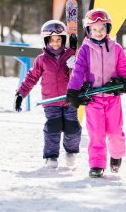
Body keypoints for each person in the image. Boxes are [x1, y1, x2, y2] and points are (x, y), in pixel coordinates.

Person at [66, 8, 126, 178]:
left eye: (102, 29)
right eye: (94, 29)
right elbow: (78, 71)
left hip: (112, 98)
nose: (98, 33)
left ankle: (116, 155)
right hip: (93, 99)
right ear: (88, 31)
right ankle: (97, 164)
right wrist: (73, 91)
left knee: (115, 132)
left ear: (108, 29)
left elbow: (123, 68)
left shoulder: (116, 48)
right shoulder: (85, 50)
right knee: (96, 134)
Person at [14, 20, 80, 169]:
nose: (55, 43)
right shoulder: (41, 60)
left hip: (70, 99)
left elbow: (82, 74)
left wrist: (75, 65)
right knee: (53, 128)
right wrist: (20, 94)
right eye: (52, 40)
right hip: (51, 101)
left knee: (72, 128)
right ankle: (51, 156)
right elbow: (31, 78)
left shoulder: (72, 55)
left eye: (59, 40)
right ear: (46, 40)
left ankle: (70, 152)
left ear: (63, 39)